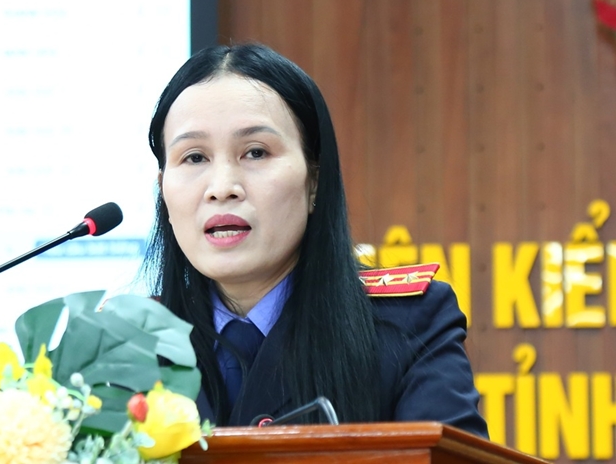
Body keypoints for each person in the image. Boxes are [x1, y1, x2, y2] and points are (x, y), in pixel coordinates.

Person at [141, 43, 488, 437]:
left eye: (255, 152)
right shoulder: (127, 346)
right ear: (163, 189)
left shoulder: (409, 325)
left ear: (314, 182)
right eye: (194, 158)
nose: (222, 188)